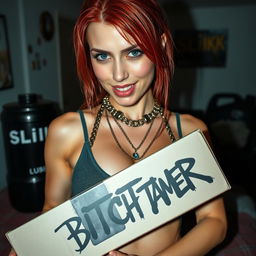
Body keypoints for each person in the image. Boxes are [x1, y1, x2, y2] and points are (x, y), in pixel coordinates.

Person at [9, 0, 227, 255]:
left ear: (162, 46)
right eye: (102, 56)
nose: (118, 74)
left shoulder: (190, 131)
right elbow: (53, 214)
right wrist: (33, 248)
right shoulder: (68, 131)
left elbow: (214, 221)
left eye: (133, 52)